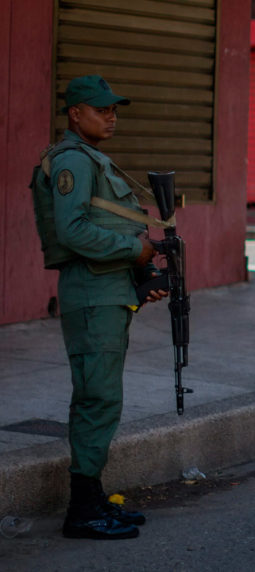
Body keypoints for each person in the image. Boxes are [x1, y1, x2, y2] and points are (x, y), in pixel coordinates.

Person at [37, 75, 168, 538]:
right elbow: (72, 231)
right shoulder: (73, 160)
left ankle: (93, 499)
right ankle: (82, 511)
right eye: (101, 109)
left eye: (114, 110)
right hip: (92, 292)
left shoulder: (93, 158)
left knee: (102, 395)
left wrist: (141, 273)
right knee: (98, 397)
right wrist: (135, 251)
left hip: (107, 289)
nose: (111, 117)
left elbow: (104, 225)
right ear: (75, 113)